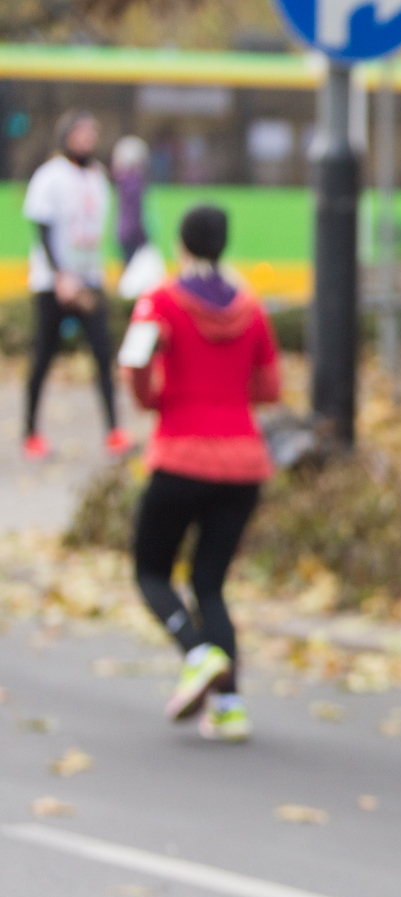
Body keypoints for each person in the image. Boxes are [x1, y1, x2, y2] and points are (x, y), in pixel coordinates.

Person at [121, 205, 280, 743]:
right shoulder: (252, 306)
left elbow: (135, 367)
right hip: (243, 464)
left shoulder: (159, 300)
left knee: (150, 573)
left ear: (182, 245)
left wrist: (156, 398)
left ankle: (196, 653)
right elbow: (270, 387)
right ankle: (230, 708)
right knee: (209, 584)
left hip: (180, 456)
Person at [23, 110, 127, 459]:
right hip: (53, 282)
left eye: (90, 134)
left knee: (102, 352)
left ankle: (114, 430)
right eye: (79, 133)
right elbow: (43, 228)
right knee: (43, 356)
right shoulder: (50, 176)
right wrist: (60, 275)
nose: (86, 140)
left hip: (89, 279)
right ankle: (30, 432)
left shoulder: (98, 177)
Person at [111, 135, 150, 264]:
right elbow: (134, 210)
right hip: (131, 233)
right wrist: (142, 236)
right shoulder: (133, 181)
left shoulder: (124, 180)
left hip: (124, 231)